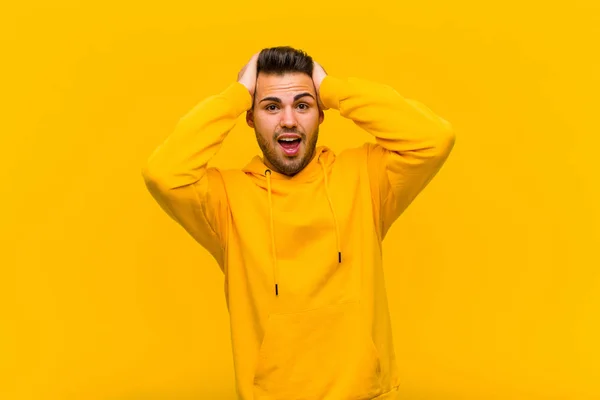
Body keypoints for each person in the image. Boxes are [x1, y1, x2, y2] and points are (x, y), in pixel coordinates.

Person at [142, 46, 456, 400]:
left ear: (321, 114)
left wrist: (333, 88)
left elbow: (433, 139)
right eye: (271, 106)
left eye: (302, 105)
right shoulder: (225, 200)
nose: (288, 120)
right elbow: (163, 173)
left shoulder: (365, 178)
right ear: (250, 117)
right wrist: (235, 97)